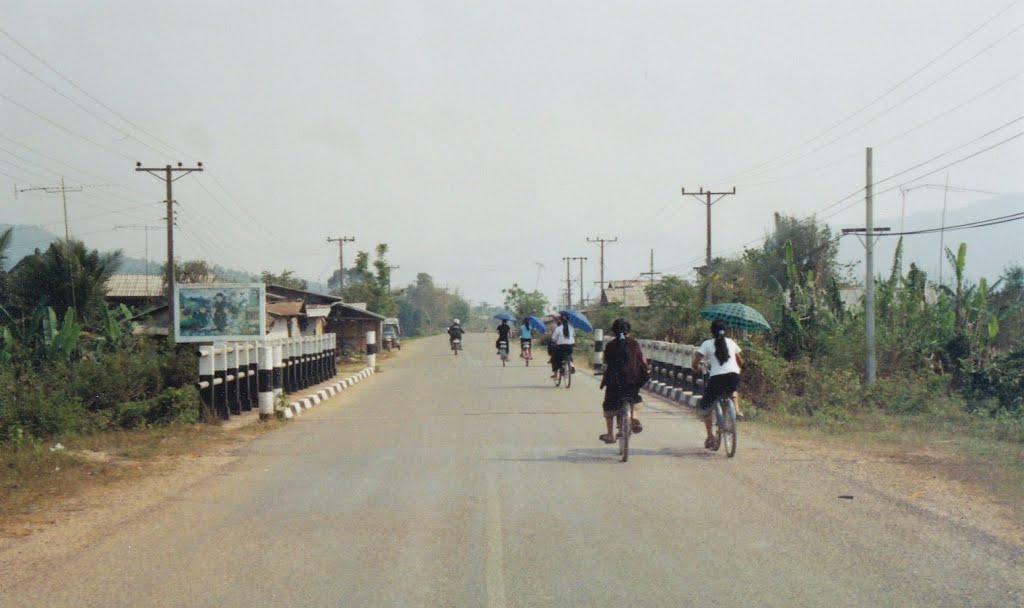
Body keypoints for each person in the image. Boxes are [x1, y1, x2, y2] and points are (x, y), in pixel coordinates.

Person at [691, 319, 743, 449]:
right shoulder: (731, 342)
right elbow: (740, 361)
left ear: (711, 331)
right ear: (725, 331)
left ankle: (710, 436)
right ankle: (736, 410)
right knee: (732, 389)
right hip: (733, 376)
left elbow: (695, 362)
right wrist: (738, 369)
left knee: (706, 406)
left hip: (717, 378)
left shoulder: (707, 344)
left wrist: (696, 369)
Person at [598, 318, 649, 443]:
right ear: (629, 331)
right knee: (633, 398)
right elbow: (642, 361)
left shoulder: (610, 345)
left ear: (614, 332)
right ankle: (633, 417)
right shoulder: (634, 344)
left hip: (614, 383)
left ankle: (610, 434)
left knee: (609, 405)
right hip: (632, 382)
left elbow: (606, 364)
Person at [550, 312, 575, 378]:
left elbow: (554, 339)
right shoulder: (572, 328)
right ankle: (572, 365)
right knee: (569, 355)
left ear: (560, 320)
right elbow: (572, 336)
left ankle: (561, 369)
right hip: (570, 347)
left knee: (556, 358)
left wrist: (554, 342)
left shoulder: (558, 328)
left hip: (561, 347)